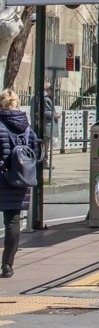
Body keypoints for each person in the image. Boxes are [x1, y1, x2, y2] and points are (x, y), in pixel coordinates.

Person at [0, 89, 38, 278]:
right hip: (19, 180)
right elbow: (36, 154)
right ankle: (7, 265)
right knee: (13, 222)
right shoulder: (27, 128)